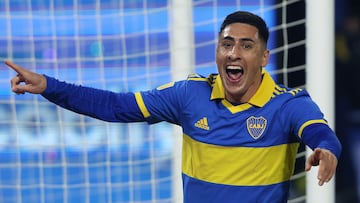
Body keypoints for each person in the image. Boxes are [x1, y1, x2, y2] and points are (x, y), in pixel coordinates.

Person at [4, 11, 341, 203]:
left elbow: (319, 131)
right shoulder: (189, 96)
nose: (233, 53)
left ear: (264, 57)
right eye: (226, 44)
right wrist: (50, 86)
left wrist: (325, 149)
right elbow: (116, 106)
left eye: (246, 45)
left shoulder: (287, 103)